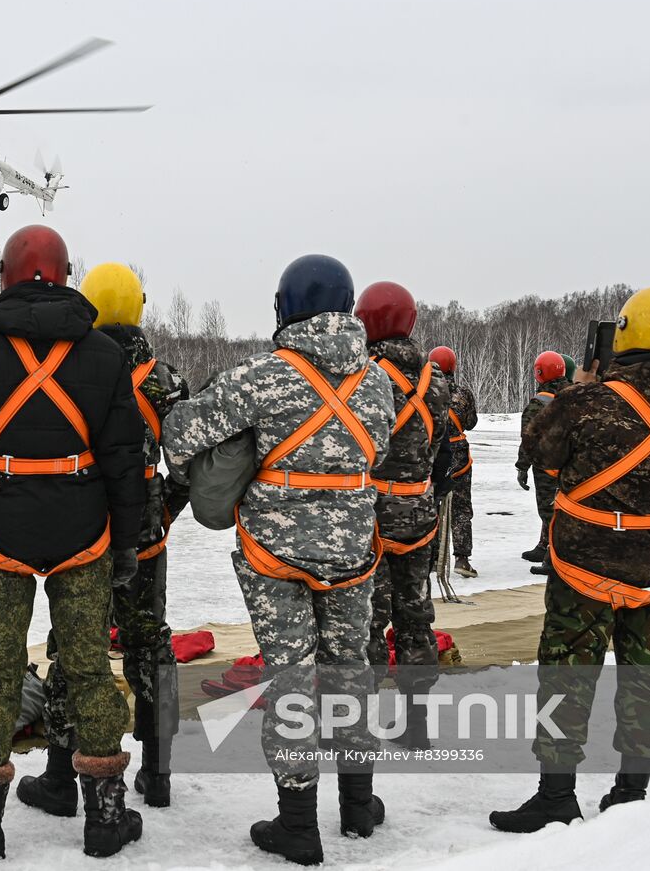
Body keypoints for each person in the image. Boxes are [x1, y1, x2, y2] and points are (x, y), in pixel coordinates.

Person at [163, 254, 394, 865]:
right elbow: (382, 448)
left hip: (275, 558)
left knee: (291, 678)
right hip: (353, 555)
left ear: (286, 305)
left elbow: (180, 435)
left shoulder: (261, 377)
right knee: (350, 669)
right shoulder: (379, 383)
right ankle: (358, 805)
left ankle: (298, 824)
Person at [0, 225, 146, 861]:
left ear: (5, 274)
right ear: (66, 273)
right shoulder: (105, 356)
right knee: (87, 671)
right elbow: (126, 461)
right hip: (85, 532)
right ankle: (106, 815)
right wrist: (124, 543)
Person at [490, 286, 650, 833]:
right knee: (645, 675)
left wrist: (585, 387)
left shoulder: (585, 401)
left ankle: (556, 796)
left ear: (625, 331)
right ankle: (632, 791)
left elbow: (543, 452)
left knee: (567, 674)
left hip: (583, 563)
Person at [18, 261, 190, 816]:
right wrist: (163, 508)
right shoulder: (163, 380)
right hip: (144, 539)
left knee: (74, 649)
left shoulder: (74, 368)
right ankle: (158, 773)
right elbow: (190, 460)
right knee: (150, 646)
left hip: (86, 535)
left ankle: (59, 778)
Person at [355, 281, 451, 750]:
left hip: (373, 514)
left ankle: (362, 725)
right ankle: (417, 725)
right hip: (420, 512)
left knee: (368, 620)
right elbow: (443, 450)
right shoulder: (439, 382)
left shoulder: (364, 378)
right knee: (415, 615)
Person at [517, 351, 571, 575]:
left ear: (540, 373)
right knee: (566, 510)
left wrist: (522, 466)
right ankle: (547, 549)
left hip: (547, 468)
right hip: (571, 467)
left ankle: (554, 558)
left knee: (549, 513)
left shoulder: (538, 404)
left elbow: (529, 439)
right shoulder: (577, 395)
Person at [429, 345, 479, 577]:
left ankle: (431, 559)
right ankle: (461, 559)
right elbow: (470, 423)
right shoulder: (464, 394)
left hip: (434, 455)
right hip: (459, 457)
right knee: (461, 509)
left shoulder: (425, 391)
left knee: (433, 506)